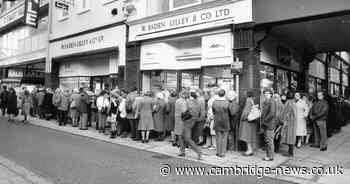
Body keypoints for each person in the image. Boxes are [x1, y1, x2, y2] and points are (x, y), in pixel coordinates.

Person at [178, 90, 202, 160]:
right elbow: (198, 112)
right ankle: (182, 151)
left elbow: (183, 111)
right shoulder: (197, 102)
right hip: (193, 120)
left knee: (187, 138)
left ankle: (198, 152)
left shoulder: (186, 102)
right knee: (182, 136)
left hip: (187, 120)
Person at [239, 90, 259, 156]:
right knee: (250, 136)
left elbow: (246, 112)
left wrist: (242, 118)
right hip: (252, 122)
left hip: (247, 122)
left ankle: (249, 150)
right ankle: (251, 149)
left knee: (247, 136)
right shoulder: (252, 100)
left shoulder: (248, 100)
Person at [212, 89, 231, 157]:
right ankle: (223, 153)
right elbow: (230, 112)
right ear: (224, 94)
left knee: (218, 137)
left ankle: (218, 152)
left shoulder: (214, 102)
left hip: (217, 120)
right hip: (225, 121)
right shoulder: (227, 102)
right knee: (224, 137)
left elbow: (213, 111)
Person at [278, 91, 297, 156]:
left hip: (289, 122)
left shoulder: (288, 103)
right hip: (293, 122)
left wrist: (281, 120)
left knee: (289, 136)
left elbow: (286, 113)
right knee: (291, 136)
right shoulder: (293, 102)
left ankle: (290, 152)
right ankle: (290, 151)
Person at [261, 89, 277, 161]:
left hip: (269, 124)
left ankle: (270, 156)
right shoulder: (266, 101)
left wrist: (265, 120)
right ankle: (268, 155)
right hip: (266, 124)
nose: (266, 94)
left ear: (271, 94)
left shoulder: (272, 101)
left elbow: (272, 113)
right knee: (267, 140)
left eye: (268, 93)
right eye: (265, 93)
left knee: (269, 140)